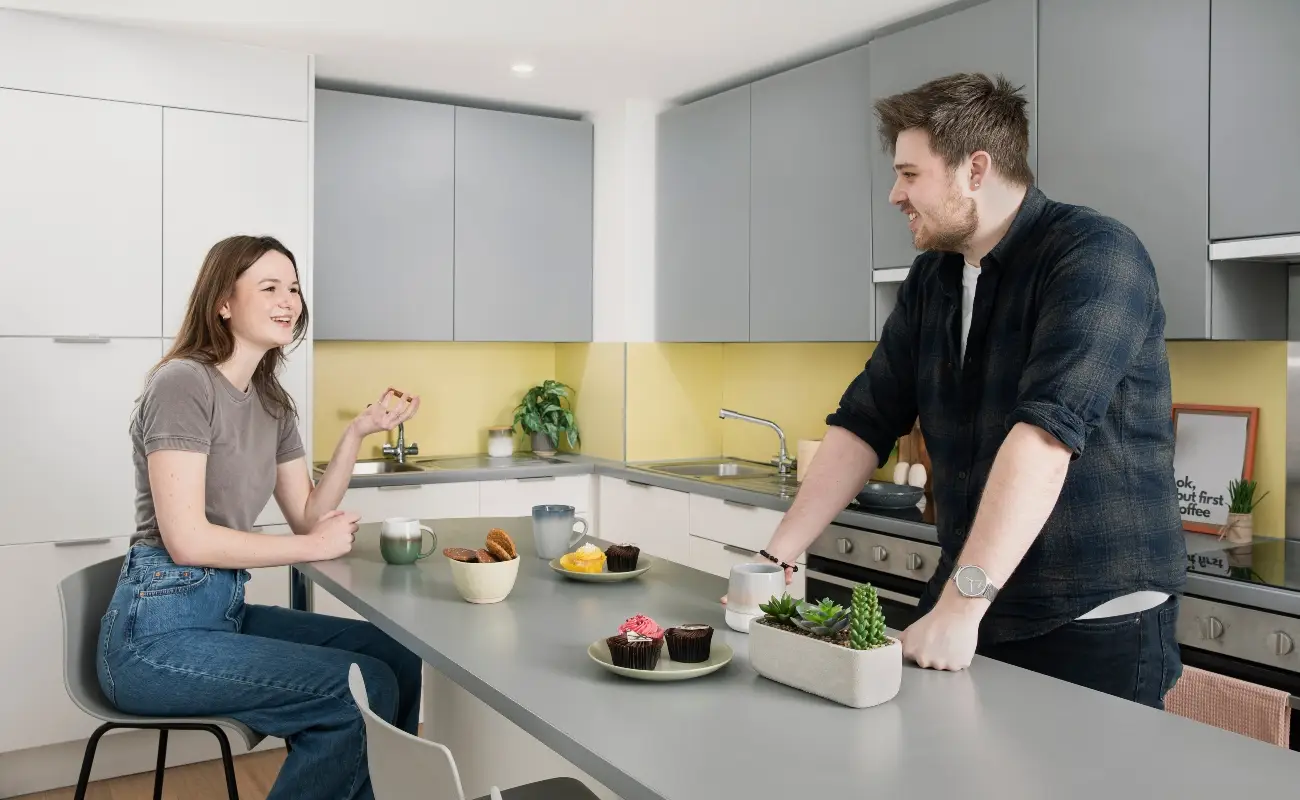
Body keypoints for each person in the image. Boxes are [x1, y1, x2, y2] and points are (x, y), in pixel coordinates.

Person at [751, 73, 1187, 709]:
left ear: (975, 168)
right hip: (974, 594)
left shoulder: (1096, 255)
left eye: (910, 174)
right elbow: (865, 419)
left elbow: (1044, 437)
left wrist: (960, 606)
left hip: (1093, 614)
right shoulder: (934, 278)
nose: (896, 194)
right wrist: (775, 557)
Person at [97, 235, 423, 799]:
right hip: (154, 637)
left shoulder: (271, 401)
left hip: (220, 612)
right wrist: (314, 547)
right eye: (269, 287)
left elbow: (306, 514)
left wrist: (357, 433)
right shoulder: (184, 383)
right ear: (224, 302)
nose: (288, 301)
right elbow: (187, 540)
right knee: (357, 689)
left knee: (393, 654)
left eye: (293, 288)